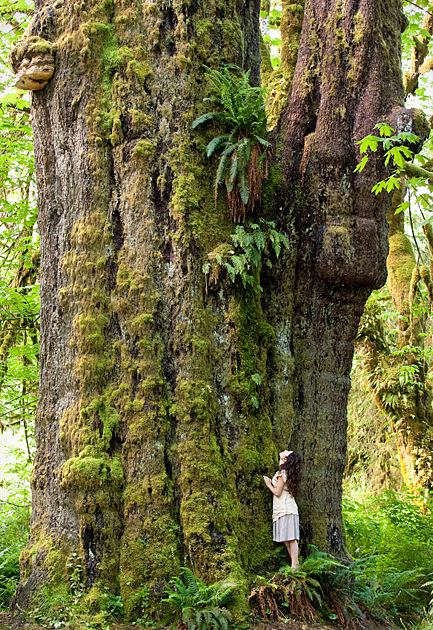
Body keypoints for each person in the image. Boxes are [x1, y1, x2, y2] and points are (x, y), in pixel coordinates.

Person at [263, 449, 303, 568]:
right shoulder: (286, 471)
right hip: (283, 508)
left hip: (286, 508)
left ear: (286, 459)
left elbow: (278, 492)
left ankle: (294, 567)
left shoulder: (283, 473)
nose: (285, 450)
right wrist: (282, 459)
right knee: (286, 540)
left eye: (287, 452)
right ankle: (296, 565)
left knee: (290, 538)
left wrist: (269, 484)